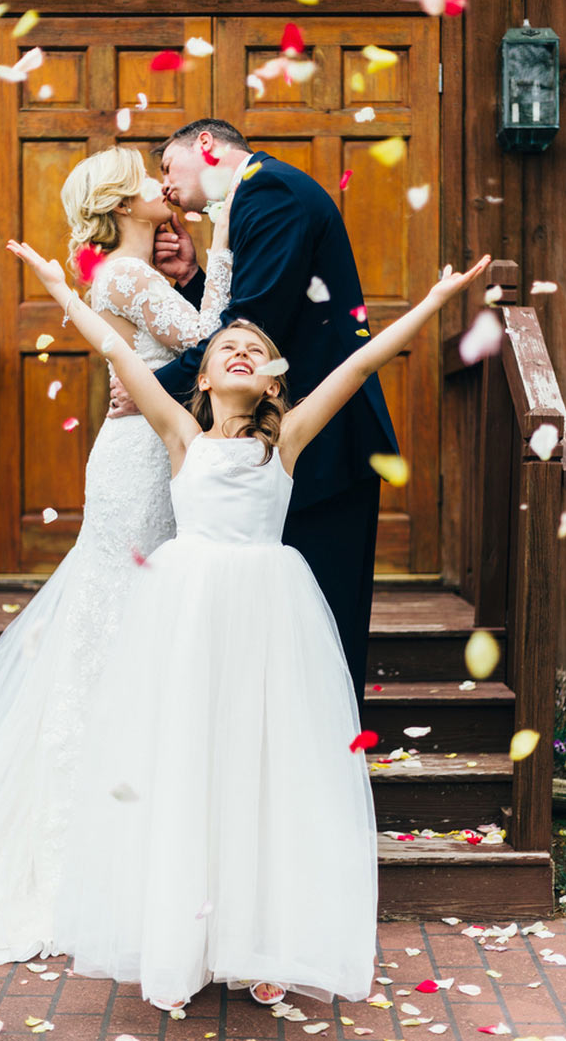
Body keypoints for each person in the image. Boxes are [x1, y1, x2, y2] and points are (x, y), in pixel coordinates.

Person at [7, 234, 489, 1012]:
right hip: (188, 618)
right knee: (189, 764)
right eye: (225, 346)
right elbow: (111, 345)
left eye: (253, 348)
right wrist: (56, 285)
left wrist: (434, 304)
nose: (239, 352)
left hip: (268, 617)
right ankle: (184, 939)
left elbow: (361, 366)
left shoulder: (287, 440)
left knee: (263, 768)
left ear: (272, 377)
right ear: (200, 373)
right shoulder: (179, 434)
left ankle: (262, 936)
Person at [0, 145, 233, 970]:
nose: (164, 190)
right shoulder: (125, 276)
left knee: (125, 620)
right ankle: (89, 838)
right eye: (147, 182)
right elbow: (209, 337)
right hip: (141, 462)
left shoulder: (124, 271)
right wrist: (224, 243)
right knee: (120, 620)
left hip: (147, 449)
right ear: (124, 202)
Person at [151, 118, 399, 708]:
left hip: (322, 443)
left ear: (205, 146)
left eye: (167, 167)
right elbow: (254, 321)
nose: (164, 187)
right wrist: (192, 278)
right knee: (281, 628)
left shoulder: (270, 190)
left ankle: (325, 768)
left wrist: (153, 391)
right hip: (284, 445)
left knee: (324, 624)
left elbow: (255, 322)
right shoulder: (262, 194)